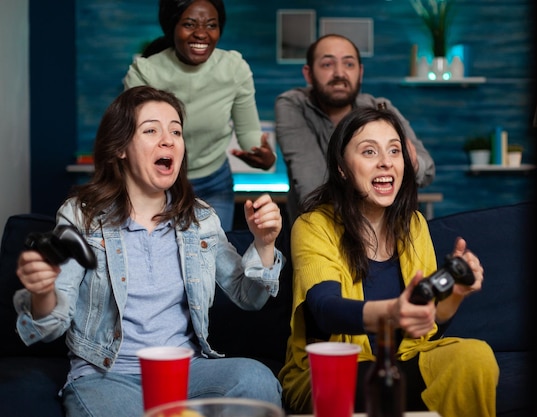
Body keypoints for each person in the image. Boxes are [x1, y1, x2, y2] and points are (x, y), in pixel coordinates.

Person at [14, 86, 284, 417]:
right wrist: (42, 292)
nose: (168, 140)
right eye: (151, 130)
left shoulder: (199, 218)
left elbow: (249, 295)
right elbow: (49, 325)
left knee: (256, 380)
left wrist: (264, 242)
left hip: (184, 373)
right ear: (121, 148)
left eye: (175, 131)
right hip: (107, 377)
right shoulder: (80, 215)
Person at [278, 107, 498, 417]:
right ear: (342, 168)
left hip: (405, 359)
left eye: (394, 150)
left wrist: (457, 292)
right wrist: (392, 313)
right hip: (335, 368)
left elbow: (429, 326)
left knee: (476, 356)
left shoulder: (415, 225)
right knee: (373, 387)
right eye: (369, 151)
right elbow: (326, 310)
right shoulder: (313, 225)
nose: (386, 161)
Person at [124, 0, 276, 231]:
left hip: (214, 182)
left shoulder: (234, 68)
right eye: (189, 24)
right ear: (172, 26)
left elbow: (248, 132)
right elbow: (133, 139)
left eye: (211, 25)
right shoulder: (145, 72)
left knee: (214, 258)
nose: (201, 34)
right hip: (158, 182)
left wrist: (263, 155)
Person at [274, 34, 436, 225]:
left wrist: (412, 164)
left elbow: (427, 169)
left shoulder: (380, 107)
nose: (339, 74)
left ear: (360, 72)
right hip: (323, 232)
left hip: (390, 234)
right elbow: (312, 186)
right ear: (308, 73)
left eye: (349, 64)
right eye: (327, 64)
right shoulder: (293, 105)